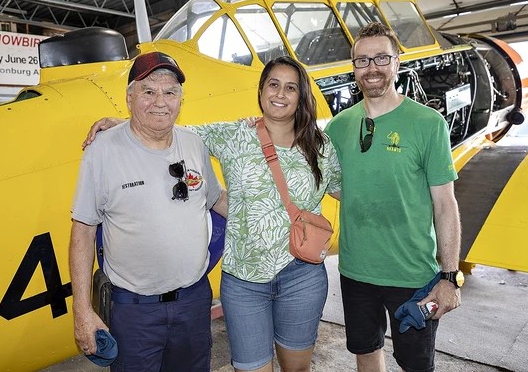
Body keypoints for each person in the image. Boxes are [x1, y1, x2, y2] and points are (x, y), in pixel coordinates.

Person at [83, 56, 342, 372]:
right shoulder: (233, 134)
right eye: (273, 84)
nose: (280, 94)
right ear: (261, 91)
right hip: (245, 281)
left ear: (301, 95)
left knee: (297, 367)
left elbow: (345, 190)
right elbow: (171, 129)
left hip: (301, 274)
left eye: (291, 87)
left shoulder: (321, 145)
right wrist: (121, 124)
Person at [70, 51, 228, 372]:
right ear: (129, 98)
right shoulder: (102, 152)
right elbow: (83, 232)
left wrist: (277, 220)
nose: (160, 101)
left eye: (170, 92)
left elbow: (216, 199)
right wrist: (82, 311)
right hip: (134, 311)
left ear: (180, 100)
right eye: (148, 91)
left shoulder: (193, 144)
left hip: (194, 303)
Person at [324, 22, 462, 372]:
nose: (371, 68)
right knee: (367, 351)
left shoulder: (428, 123)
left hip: (413, 275)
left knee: (415, 364)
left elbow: (445, 204)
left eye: (381, 58)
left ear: (397, 63)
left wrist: (448, 277)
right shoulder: (339, 127)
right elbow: (339, 187)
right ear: (353, 67)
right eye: (362, 60)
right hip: (356, 271)